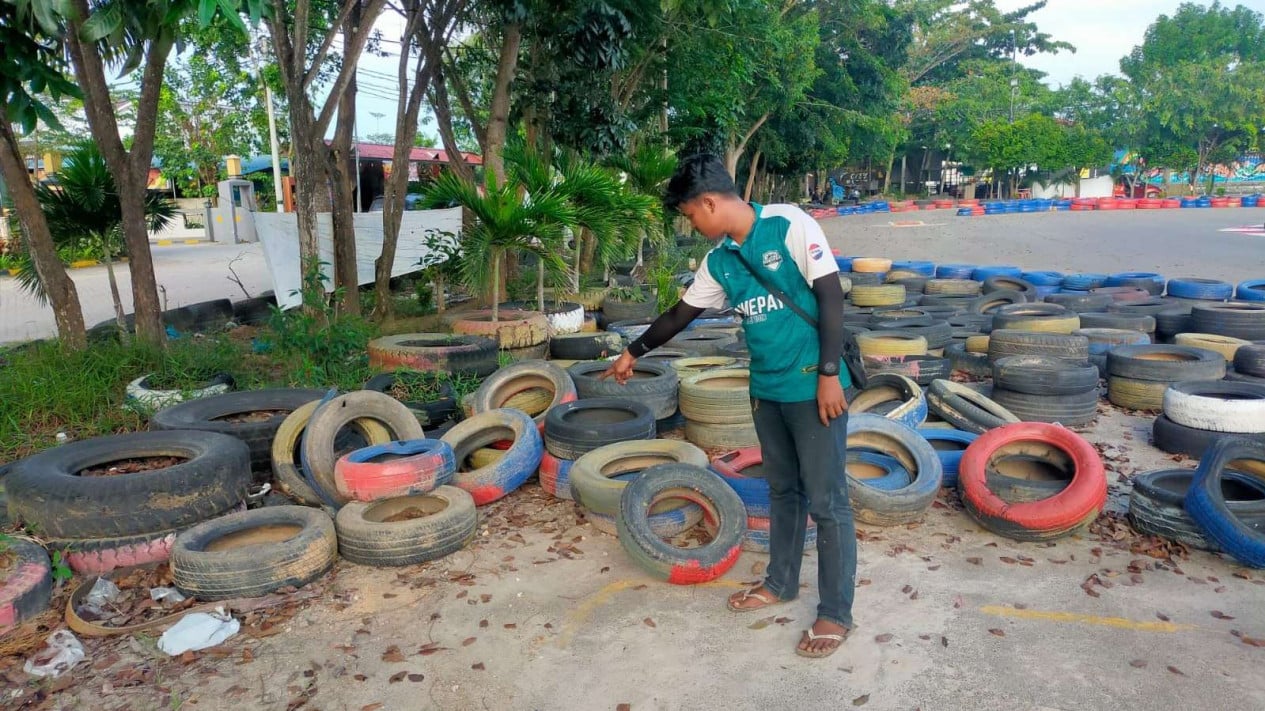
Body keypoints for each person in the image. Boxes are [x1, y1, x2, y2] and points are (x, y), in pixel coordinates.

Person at [601, 153, 856, 658]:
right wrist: (633, 351)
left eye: (691, 215)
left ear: (711, 202)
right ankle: (780, 582)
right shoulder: (720, 261)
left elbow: (830, 298)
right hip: (767, 391)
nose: (692, 225)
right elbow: (681, 315)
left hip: (814, 388)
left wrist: (830, 375)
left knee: (827, 501)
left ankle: (835, 612)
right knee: (783, 491)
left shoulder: (789, 224)